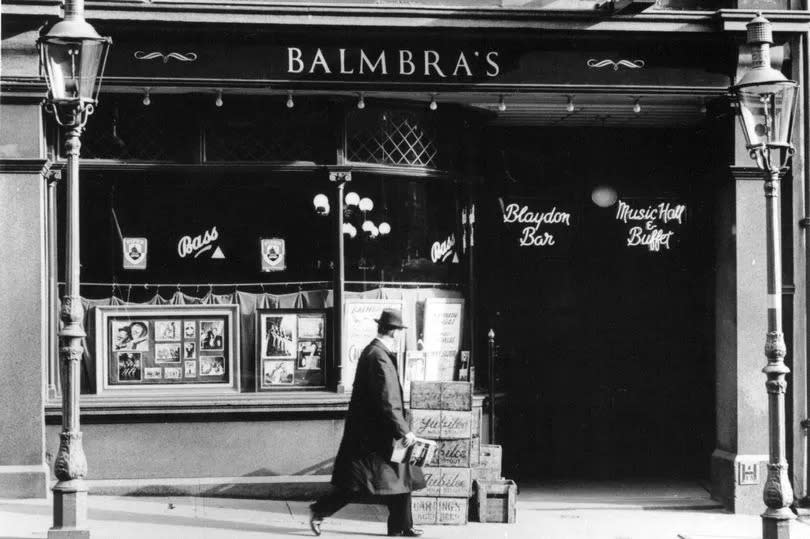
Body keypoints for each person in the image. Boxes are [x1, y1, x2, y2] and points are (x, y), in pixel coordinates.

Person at [309, 309, 425, 537]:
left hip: (375, 433)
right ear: (395, 332)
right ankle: (319, 510)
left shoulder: (376, 352)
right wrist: (403, 430)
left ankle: (402, 526)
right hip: (373, 437)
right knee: (357, 484)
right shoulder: (378, 356)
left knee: (401, 476)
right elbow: (387, 398)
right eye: (400, 331)